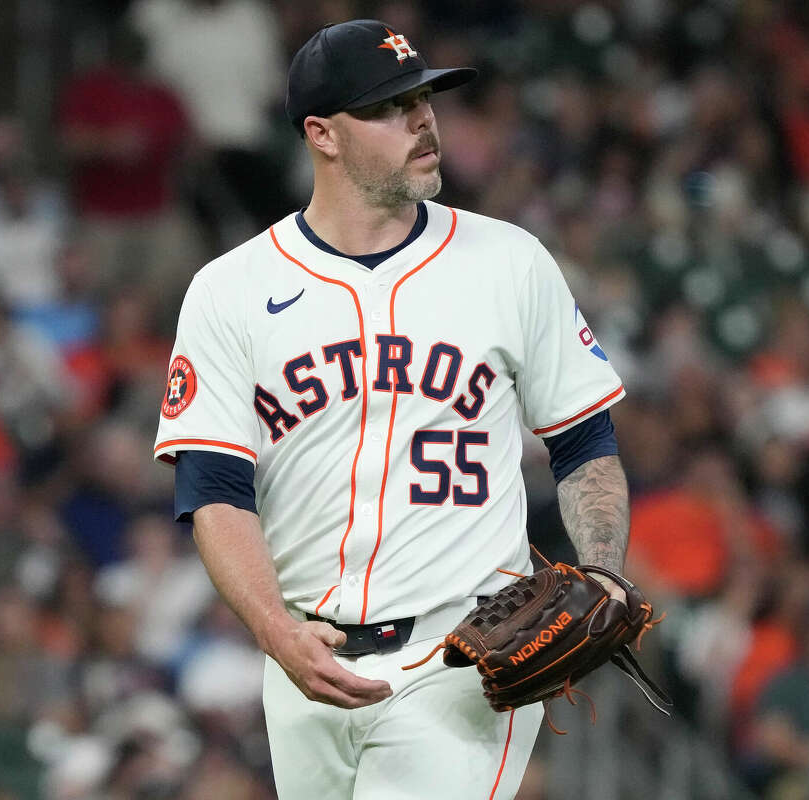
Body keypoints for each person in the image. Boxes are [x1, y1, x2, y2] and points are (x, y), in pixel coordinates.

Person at [154, 19, 634, 800]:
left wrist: (605, 574)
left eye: (423, 98)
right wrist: (275, 631)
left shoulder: (509, 262)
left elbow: (586, 443)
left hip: (461, 656)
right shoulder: (229, 291)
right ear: (322, 134)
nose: (421, 120)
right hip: (307, 660)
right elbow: (211, 489)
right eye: (388, 107)